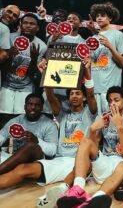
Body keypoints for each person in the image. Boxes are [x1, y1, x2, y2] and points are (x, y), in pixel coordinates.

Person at [0, 56, 97, 193]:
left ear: (84, 97)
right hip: (58, 160)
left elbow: (92, 95)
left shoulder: (90, 113)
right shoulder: (63, 113)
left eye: (78, 93)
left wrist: (87, 71)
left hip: (77, 161)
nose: (74, 96)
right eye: (71, 94)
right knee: (22, 169)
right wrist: (45, 74)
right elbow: (51, 97)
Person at [56, 86, 123, 208]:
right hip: (103, 162)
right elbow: (92, 148)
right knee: (85, 141)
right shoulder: (103, 117)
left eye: (116, 100)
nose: (112, 103)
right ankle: (78, 189)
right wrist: (92, 129)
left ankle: (95, 200)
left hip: (120, 166)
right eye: (110, 101)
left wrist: (120, 128)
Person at [0, 13, 47, 117]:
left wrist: (34, 58)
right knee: (3, 116)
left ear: (37, 28)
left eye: (32, 23)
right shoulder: (10, 38)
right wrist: (9, 55)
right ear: (20, 25)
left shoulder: (41, 46)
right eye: (25, 23)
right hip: (6, 85)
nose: (28, 26)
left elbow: (31, 74)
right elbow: (3, 68)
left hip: (26, 87)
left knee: (21, 117)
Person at [0, 93, 58, 174]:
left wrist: (37, 141)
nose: (33, 107)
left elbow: (53, 150)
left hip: (35, 160)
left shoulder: (49, 124)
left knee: (30, 146)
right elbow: (2, 136)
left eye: (37, 105)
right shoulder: (16, 121)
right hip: (12, 158)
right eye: (30, 104)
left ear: (42, 108)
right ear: (24, 106)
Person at [89, 2, 123, 115]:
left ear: (110, 18)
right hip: (95, 89)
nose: (99, 17)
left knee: (111, 125)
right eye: (97, 16)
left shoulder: (118, 35)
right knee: (96, 124)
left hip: (110, 91)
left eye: (103, 15)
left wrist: (110, 46)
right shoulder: (93, 37)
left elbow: (122, 62)